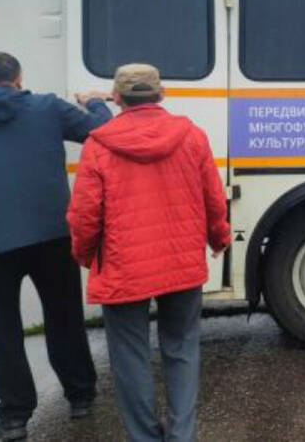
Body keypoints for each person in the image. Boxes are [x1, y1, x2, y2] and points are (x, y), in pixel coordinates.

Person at [0, 52, 111, 441]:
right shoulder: (47, 108)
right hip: (51, 235)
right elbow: (101, 131)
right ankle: (80, 396)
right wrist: (95, 102)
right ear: (18, 78)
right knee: (64, 316)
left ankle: (14, 415)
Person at [67, 64, 229, 442]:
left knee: (130, 357)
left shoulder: (99, 144)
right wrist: (218, 238)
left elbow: (84, 214)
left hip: (123, 266)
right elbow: (213, 197)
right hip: (181, 262)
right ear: (162, 94)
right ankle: (182, 435)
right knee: (182, 349)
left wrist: (86, 255)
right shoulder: (192, 136)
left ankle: (144, 437)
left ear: (117, 98)